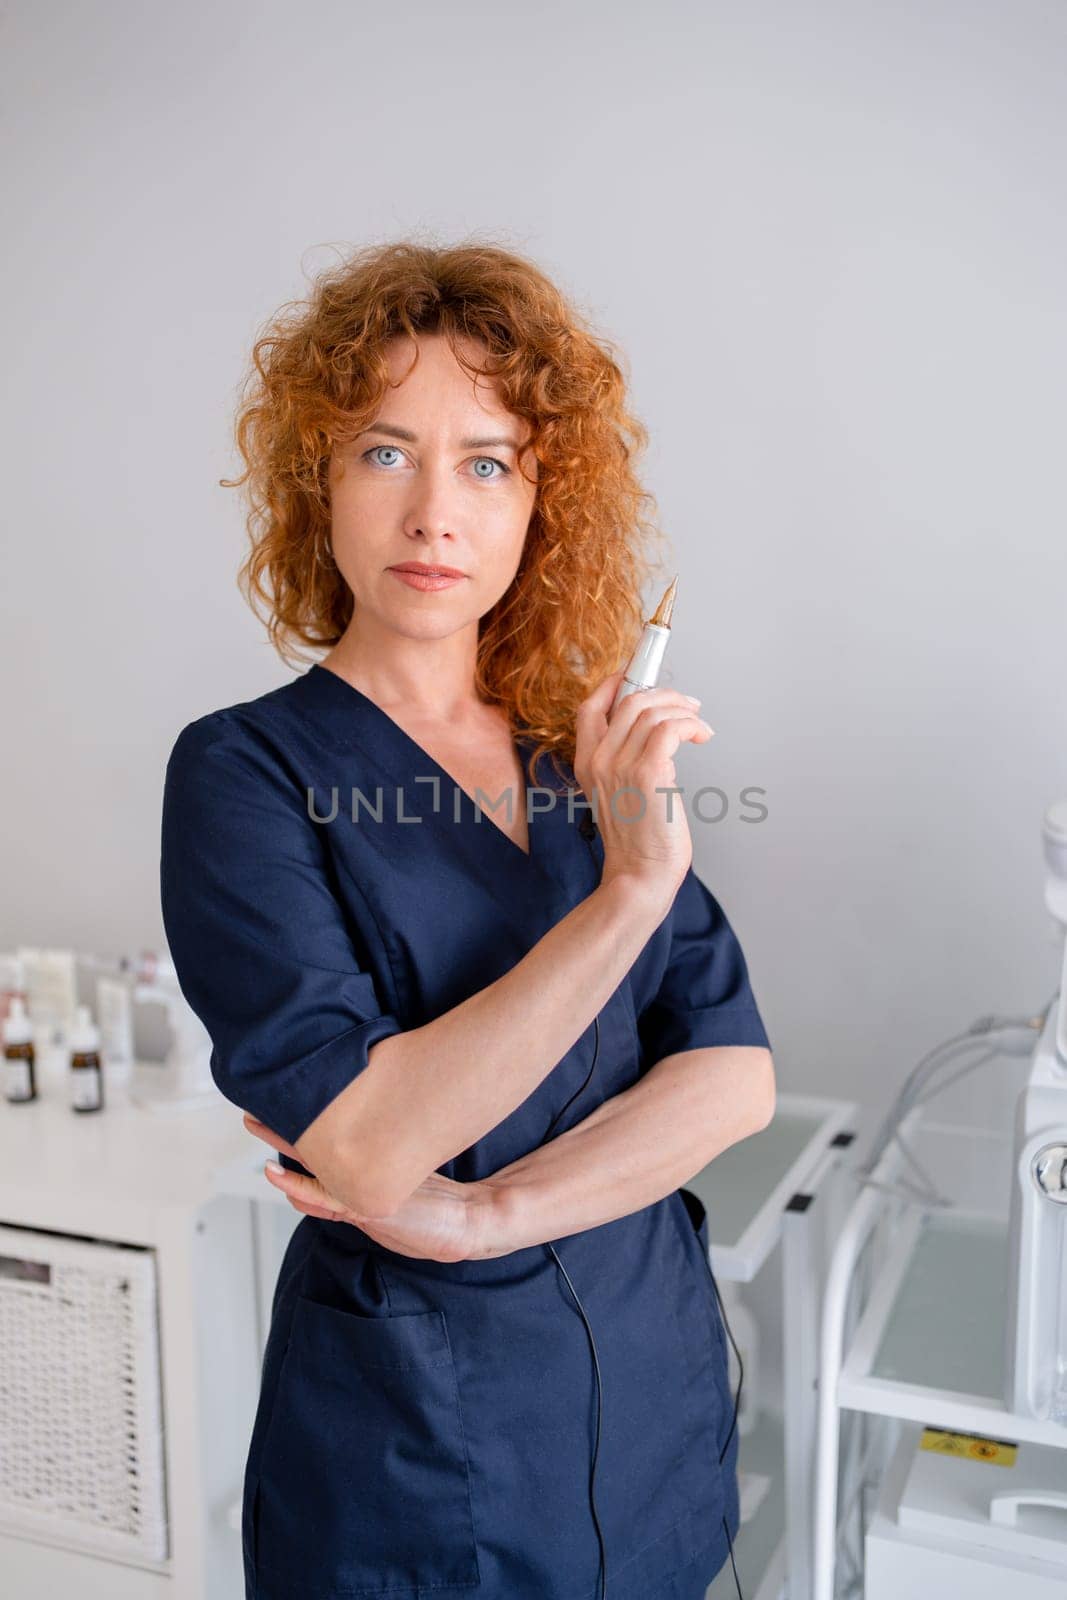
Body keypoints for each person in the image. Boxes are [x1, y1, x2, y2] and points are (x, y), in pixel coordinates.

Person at [159, 239, 775, 1600]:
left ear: (536, 506)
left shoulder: (579, 755)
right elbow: (372, 1150)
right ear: (314, 483)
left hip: (648, 1408)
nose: (435, 511)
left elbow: (732, 1074)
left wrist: (494, 1215)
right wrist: (626, 898)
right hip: (415, 1458)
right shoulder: (246, 775)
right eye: (385, 452)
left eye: (487, 463)